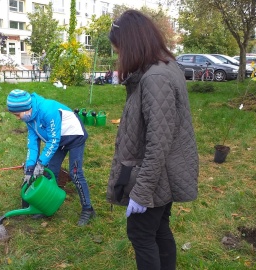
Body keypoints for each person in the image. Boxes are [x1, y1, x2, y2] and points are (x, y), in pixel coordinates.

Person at [106, 10, 199, 270]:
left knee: (142, 234)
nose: (118, 56)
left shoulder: (155, 78)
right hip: (165, 172)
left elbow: (159, 143)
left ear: (131, 44)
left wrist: (142, 192)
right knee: (158, 230)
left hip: (158, 175)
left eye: (119, 49)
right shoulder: (164, 67)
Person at [6, 89, 95, 226]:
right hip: (58, 141)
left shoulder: (47, 109)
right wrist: (30, 168)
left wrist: (41, 164)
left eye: (18, 114)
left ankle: (88, 209)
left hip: (74, 136)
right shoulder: (29, 118)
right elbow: (33, 145)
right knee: (51, 172)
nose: (17, 118)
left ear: (26, 108)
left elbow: (53, 140)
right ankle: (47, 205)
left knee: (75, 173)